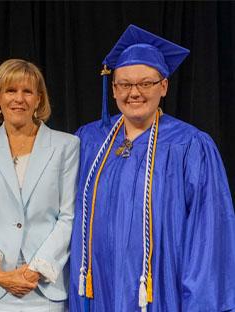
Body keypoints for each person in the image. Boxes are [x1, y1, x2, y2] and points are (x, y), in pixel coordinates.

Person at [69, 24, 235, 312]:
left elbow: (209, 236)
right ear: (114, 89)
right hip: (100, 292)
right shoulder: (89, 141)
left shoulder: (191, 146)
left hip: (162, 291)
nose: (134, 93)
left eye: (145, 83)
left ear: (164, 86)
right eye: (124, 84)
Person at [0, 59, 79, 311]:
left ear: (39, 99)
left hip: (45, 286)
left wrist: (35, 270)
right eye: (10, 90)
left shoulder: (66, 146)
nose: (19, 98)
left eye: (27, 91)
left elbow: (68, 216)